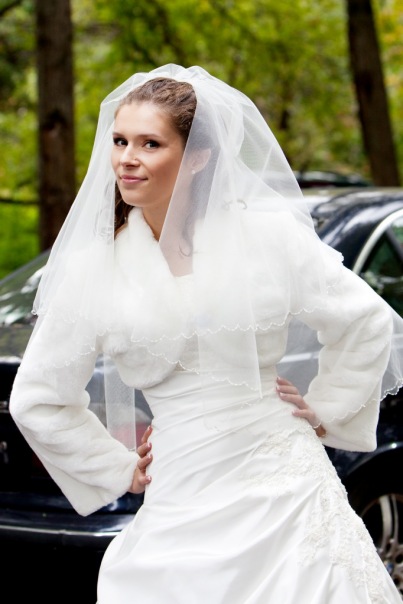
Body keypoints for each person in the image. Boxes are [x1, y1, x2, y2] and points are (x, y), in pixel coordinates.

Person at [9, 64, 403, 603]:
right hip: (181, 492)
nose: (126, 158)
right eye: (120, 141)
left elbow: (366, 321)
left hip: (286, 487)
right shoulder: (92, 270)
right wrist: (116, 468)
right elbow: (38, 398)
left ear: (197, 157)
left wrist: (327, 409)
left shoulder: (268, 235)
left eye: (150, 143)